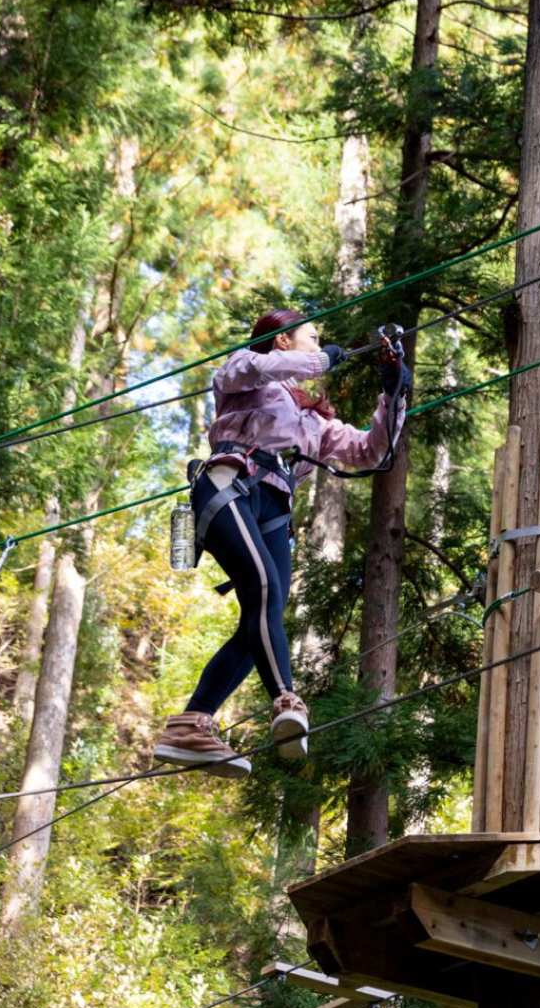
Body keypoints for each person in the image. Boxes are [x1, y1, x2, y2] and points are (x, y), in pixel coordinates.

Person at [152, 309, 410, 778]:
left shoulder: (315, 424)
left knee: (261, 622)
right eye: (313, 336)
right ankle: (286, 700)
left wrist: (394, 392)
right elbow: (252, 365)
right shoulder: (246, 376)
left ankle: (190, 724)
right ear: (284, 341)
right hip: (230, 484)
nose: (320, 344)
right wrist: (321, 362)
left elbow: (373, 451)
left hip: (274, 512)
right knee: (264, 588)